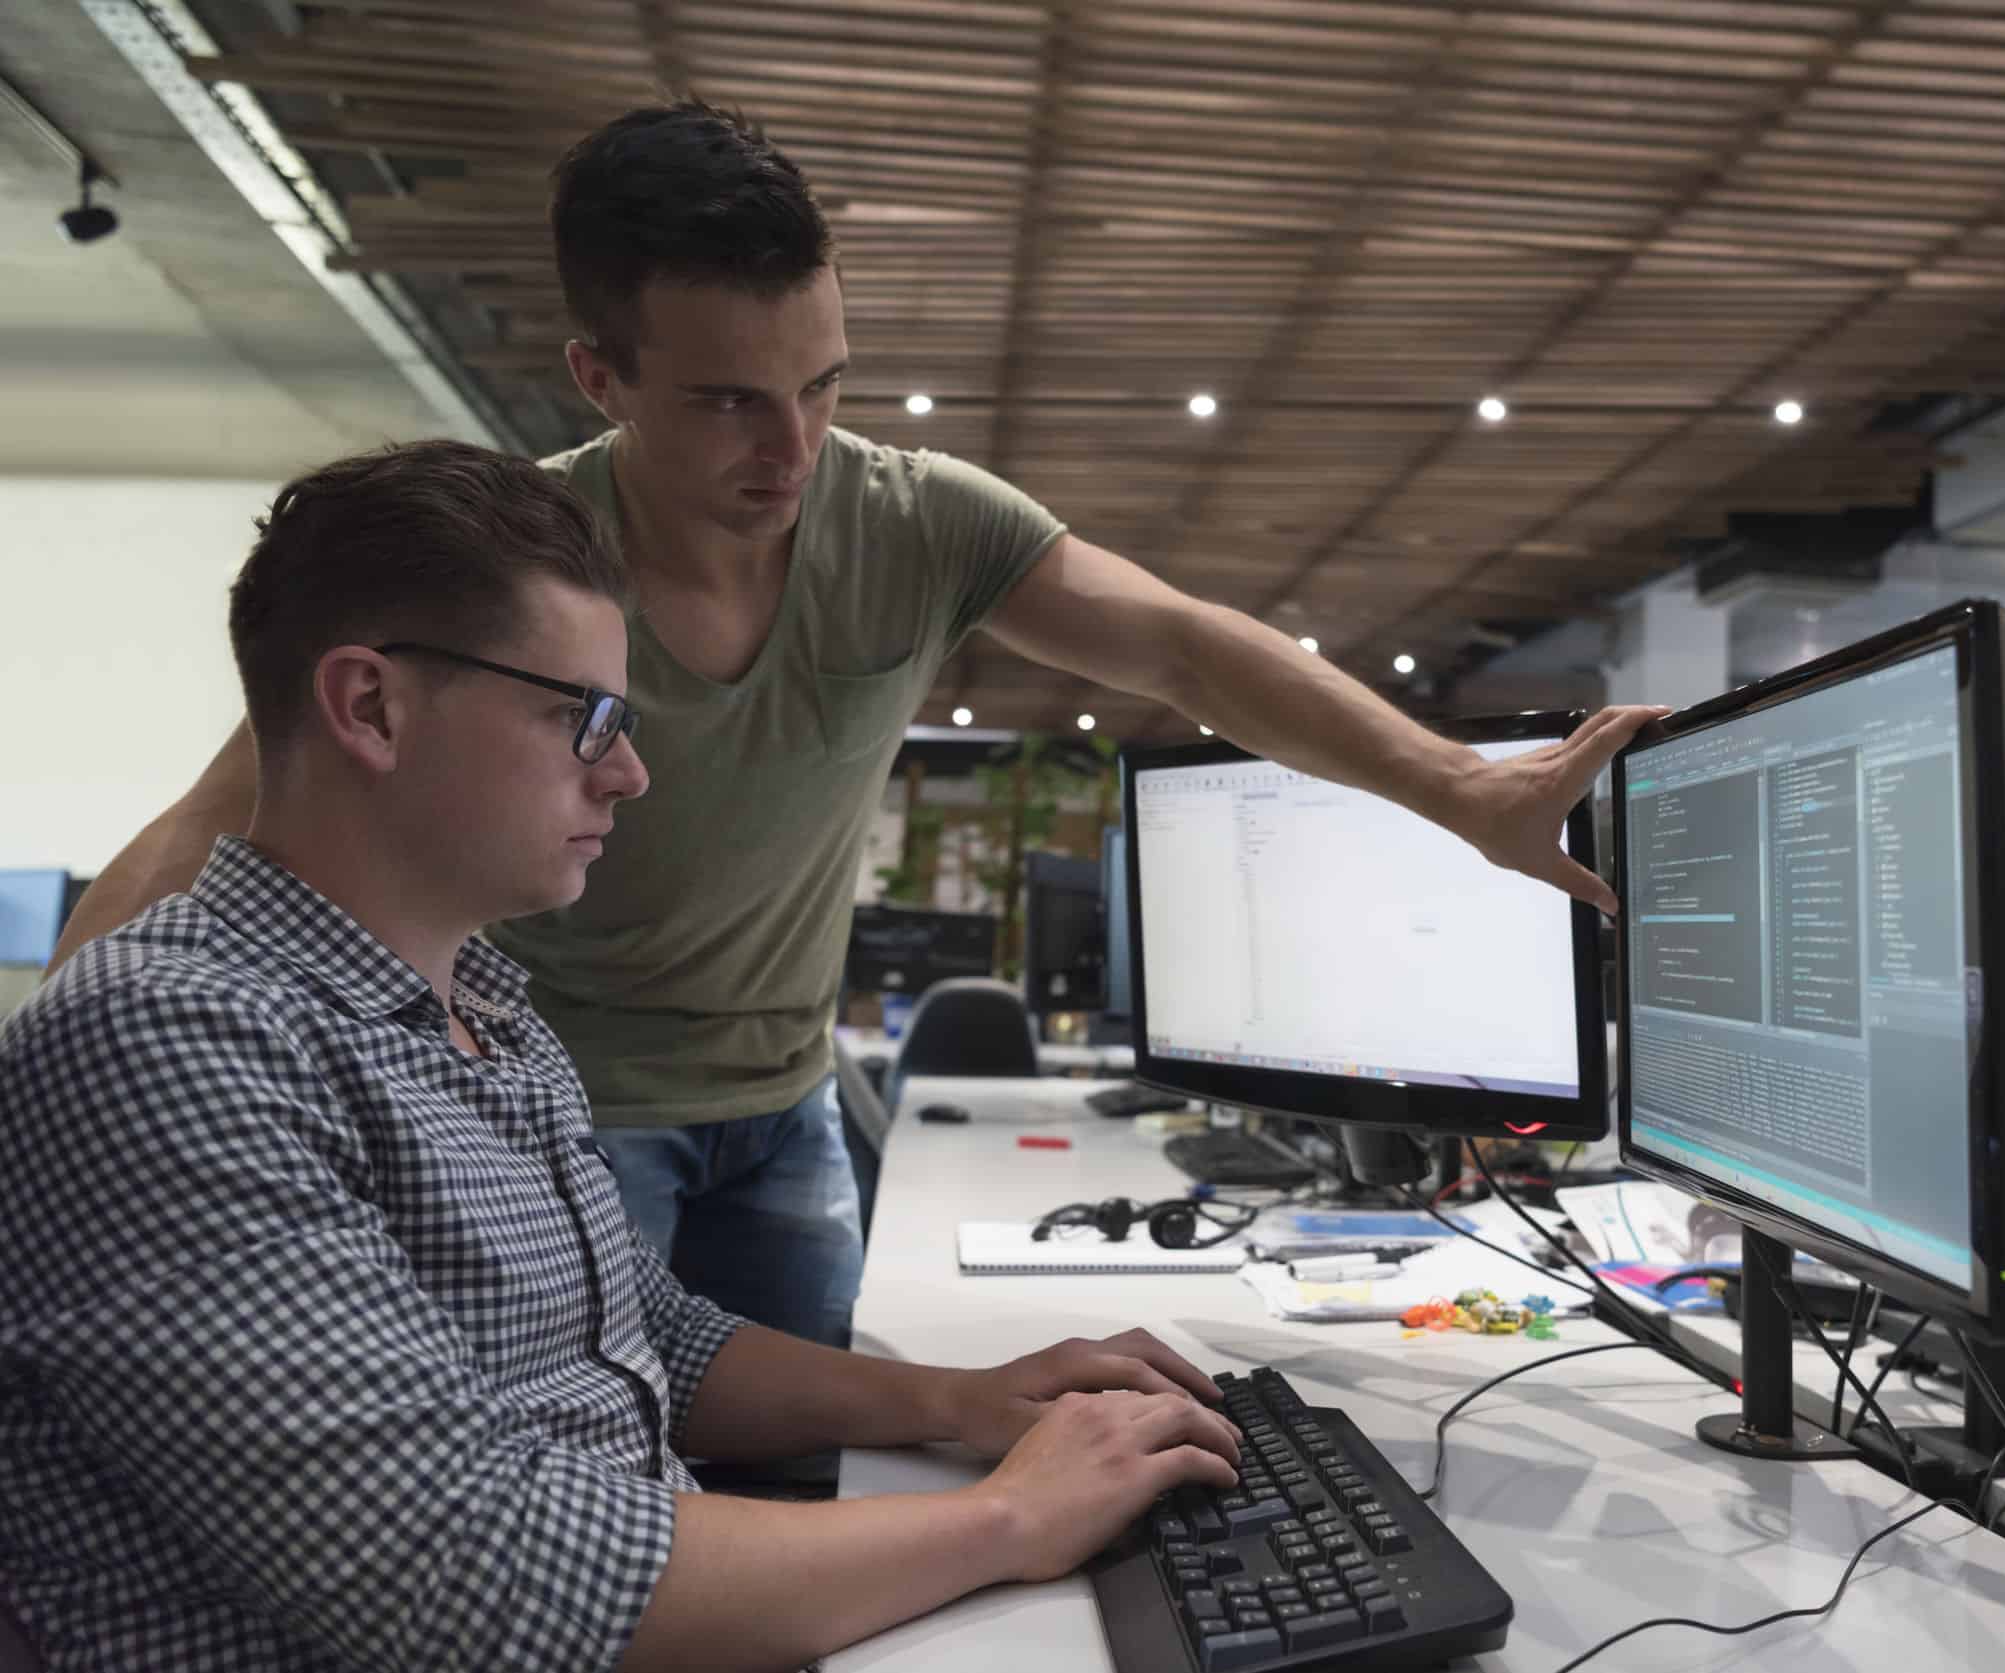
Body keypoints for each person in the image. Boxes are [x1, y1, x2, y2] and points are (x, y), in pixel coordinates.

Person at [50, 101, 1664, 1357]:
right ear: (599, 371)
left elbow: (1183, 643)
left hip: (783, 1106)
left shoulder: (916, 523)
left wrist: (1459, 789)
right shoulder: (514, 565)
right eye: (729, 400)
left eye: (822, 386)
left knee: (803, 1468)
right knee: (605, 1502)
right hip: (561, 1113)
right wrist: (58, 1074)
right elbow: (230, 812)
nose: (792, 446)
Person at [0, 440, 1244, 1670]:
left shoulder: (486, 1012)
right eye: (584, 717)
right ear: (370, 704)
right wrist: (1010, 1517)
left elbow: (640, 1332)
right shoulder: (169, 1037)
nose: (632, 772)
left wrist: (962, 1399)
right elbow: (470, 1576)